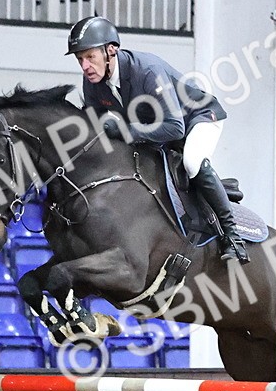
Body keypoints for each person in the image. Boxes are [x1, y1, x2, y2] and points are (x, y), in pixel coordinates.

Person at [66, 16, 249, 262]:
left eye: (90, 57)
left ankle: (232, 236)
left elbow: (175, 128)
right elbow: (96, 131)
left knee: (192, 161)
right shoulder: (93, 84)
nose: (85, 66)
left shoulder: (147, 71)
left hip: (199, 117)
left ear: (111, 50)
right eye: (80, 60)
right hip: (158, 129)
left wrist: (126, 131)